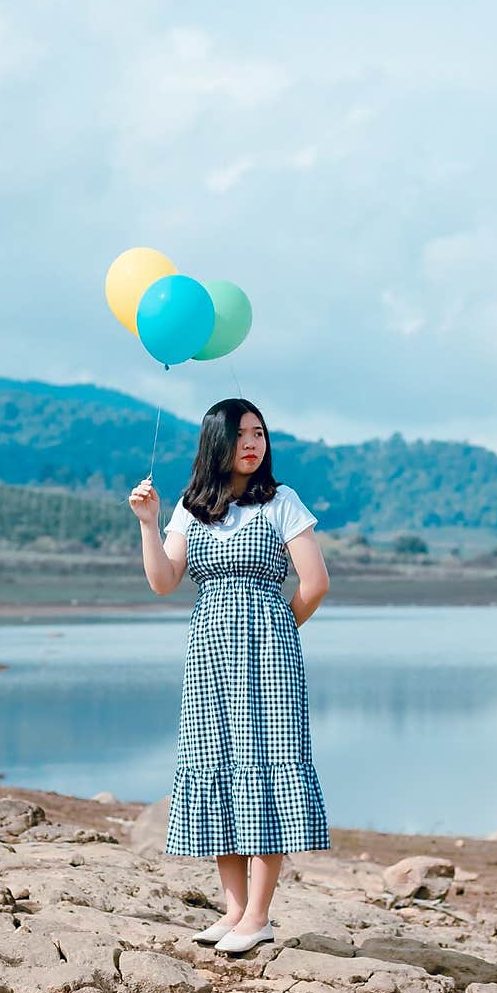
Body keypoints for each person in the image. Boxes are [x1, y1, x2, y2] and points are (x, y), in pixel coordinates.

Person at [128, 397, 331, 955]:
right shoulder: (193, 508)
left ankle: (260, 915)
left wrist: (278, 633)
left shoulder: (281, 501)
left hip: (269, 655)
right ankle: (234, 910)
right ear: (217, 441)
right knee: (215, 764)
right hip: (208, 652)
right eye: (242, 434)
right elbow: (164, 580)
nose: (253, 444)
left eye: (260, 434)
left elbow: (313, 583)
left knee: (266, 769)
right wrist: (149, 522)